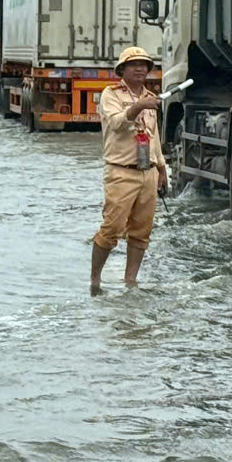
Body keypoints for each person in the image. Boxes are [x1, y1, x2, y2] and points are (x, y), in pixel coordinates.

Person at [90, 46, 167, 295]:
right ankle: (95, 281)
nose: (140, 69)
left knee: (141, 231)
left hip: (148, 171)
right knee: (111, 228)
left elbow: (154, 138)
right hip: (120, 172)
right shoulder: (110, 94)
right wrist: (137, 107)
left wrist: (162, 168)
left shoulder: (150, 97)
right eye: (134, 65)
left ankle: (130, 281)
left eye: (144, 65)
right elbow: (115, 123)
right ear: (122, 70)